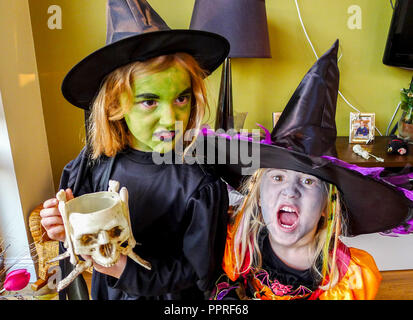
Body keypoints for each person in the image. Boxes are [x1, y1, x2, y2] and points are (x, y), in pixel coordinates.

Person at [40, 0, 230, 300]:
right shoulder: (93, 163)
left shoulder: (200, 182)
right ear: (115, 106)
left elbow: (199, 272)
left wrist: (126, 270)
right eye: (150, 101)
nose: (171, 118)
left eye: (181, 98)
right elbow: (79, 243)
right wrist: (67, 231)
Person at [206, 40, 413, 300]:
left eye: (308, 182)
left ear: (328, 205)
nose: (290, 191)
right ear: (257, 194)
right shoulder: (238, 244)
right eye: (278, 177)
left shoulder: (347, 275)